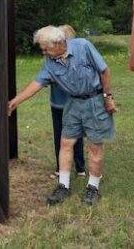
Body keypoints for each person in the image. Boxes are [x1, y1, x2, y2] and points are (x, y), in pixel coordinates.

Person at [7, 25, 117, 207]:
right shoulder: (50, 63)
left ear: (58, 43)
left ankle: (93, 188)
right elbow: (36, 84)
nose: (43, 52)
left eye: (45, 48)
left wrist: (108, 97)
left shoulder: (83, 46)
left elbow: (104, 71)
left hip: (94, 101)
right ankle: (63, 186)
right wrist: (15, 102)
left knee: (94, 146)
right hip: (72, 104)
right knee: (66, 143)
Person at [48, 25, 85, 179]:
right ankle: (60, 167)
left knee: (76, 136)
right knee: (59, 136)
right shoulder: (51, 58)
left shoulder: (77, 58)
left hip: (74, 104)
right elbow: (47, 77)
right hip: (56, 104)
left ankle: (80, 167)